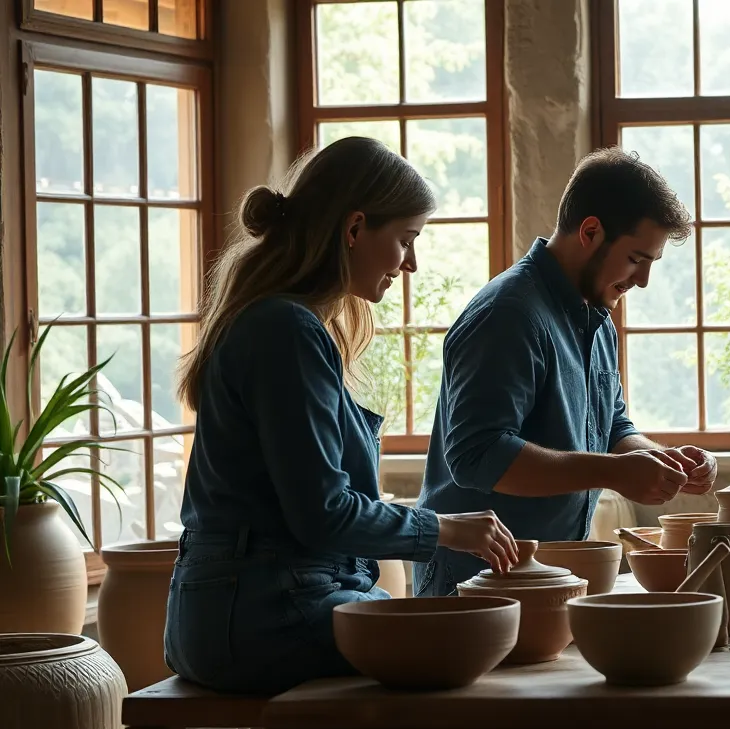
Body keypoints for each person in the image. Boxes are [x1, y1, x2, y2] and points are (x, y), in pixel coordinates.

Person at [165, 137, 519, 695]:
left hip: (247, 606)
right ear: (354, 229)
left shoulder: (283, 323)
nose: (411, 264)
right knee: (470, 645)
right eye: (405, 240)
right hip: (261, 615)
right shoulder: (286, 331)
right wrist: (447, 529)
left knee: (460, 632)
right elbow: (323, 514)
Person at [415, 147, 716, 596]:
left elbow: (611, 426)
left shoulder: (597, 317)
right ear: (590, 232)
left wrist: (661, 460)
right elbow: (476, 455)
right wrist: (614, 472)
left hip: (542, 583)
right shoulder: (507, 314)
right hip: (472, 587)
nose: (643, 281)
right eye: (637, 259)